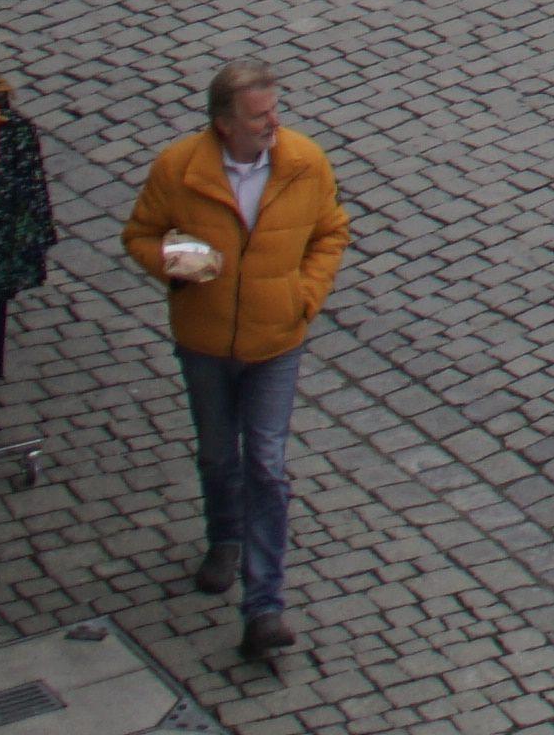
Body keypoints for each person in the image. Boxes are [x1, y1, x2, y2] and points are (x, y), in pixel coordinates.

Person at [120, 59, 348, 668]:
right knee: (219, 451)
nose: (274, 122)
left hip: (277, 341)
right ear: (224, 125)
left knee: (267, 465)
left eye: (274, 109)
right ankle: (224, 536)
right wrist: (182, 262)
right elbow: (140, 235)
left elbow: (331, 233)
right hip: (205, 339)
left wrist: (304, 297)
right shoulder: (179, 170)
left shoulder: (303, 162)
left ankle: (264, 607)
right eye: (259, 115)